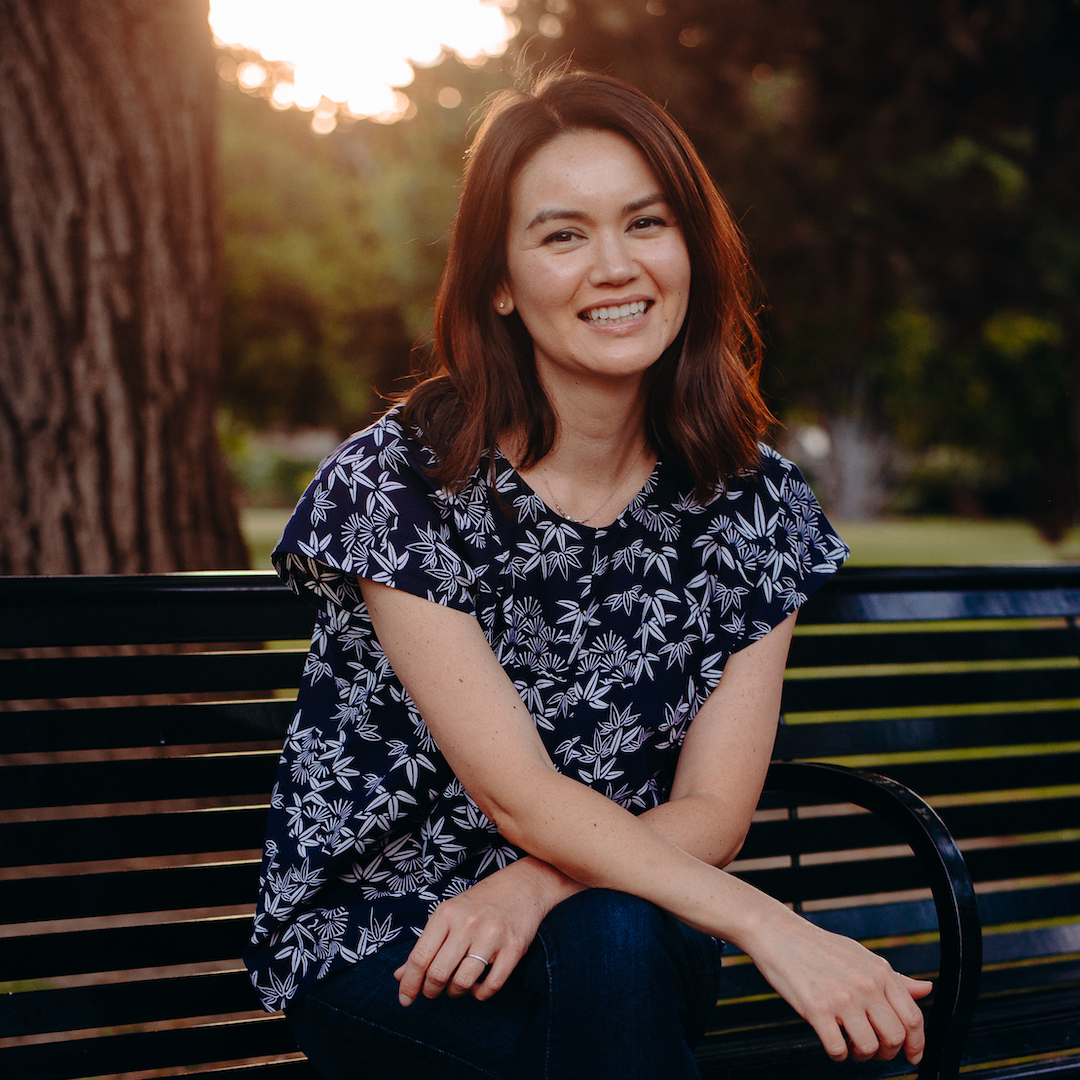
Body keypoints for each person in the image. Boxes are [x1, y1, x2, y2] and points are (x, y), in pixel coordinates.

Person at [244, 68, 931, 1079]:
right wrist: (776, 930)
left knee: (608, 939)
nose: (615, 266)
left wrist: (532, 890)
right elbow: (521, 794)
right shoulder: (402, 483)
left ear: (690, 247)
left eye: (645, 224)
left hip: (632, 934)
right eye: (564, 235)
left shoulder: (754, 505)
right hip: (393, 945)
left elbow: (715, 812)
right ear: (501, 283)